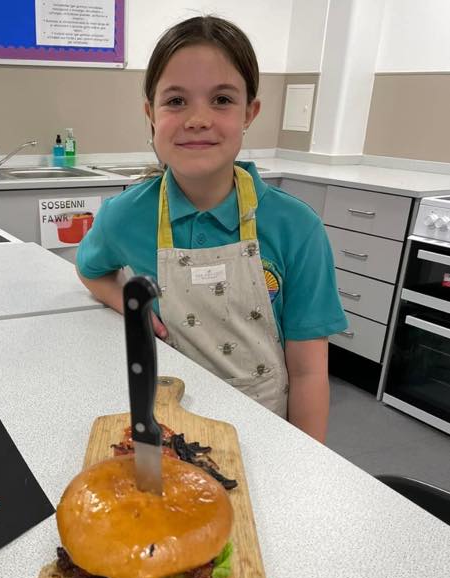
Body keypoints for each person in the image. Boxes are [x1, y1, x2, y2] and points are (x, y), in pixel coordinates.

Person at [76, 15, 347, 443]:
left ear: (249, 113)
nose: (198, 118)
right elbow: (91, 268)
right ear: (151, 113)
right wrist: (133, 309)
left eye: (221, 99)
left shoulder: (297, 228)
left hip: (268, 432)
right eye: (176, 101)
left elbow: (309, 371)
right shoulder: (124, 216)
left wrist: (307, 467)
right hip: (174, 427)